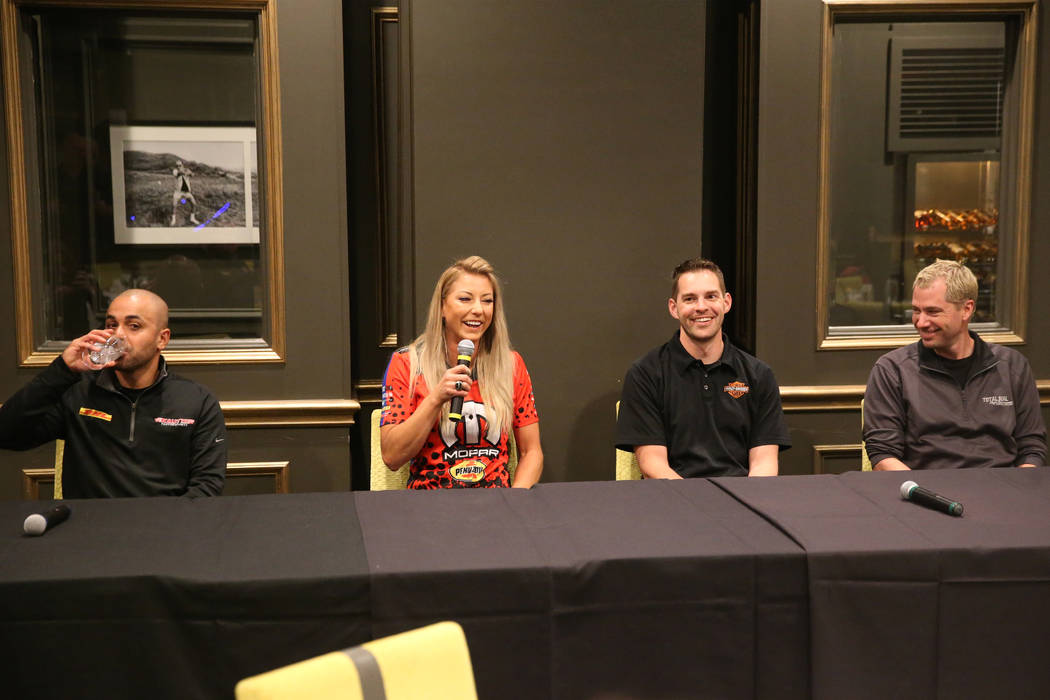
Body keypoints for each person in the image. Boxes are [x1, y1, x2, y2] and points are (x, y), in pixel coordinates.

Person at [0, 289, 226, 497]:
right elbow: (6, 434)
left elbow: (207, 486)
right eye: (111, 325)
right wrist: (62, 370)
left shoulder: (197, 401)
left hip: (164, 523)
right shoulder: (79, 391)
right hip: (90, 523)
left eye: (134, 326)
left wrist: (163, 525)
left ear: (162, 339)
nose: (118, 335)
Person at [615, 257, 791, 478]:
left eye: (711, 296)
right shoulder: (645, 374)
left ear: (726, 302)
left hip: (741, 496)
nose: (701, 307)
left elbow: (764, 463)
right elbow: (653, 465)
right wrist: (695, 500)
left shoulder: (759, 375)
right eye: (690, 299)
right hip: (674, 496)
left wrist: (744, 499)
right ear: (674, 308)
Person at [863, 260, 1046, 470]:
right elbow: (883, 455)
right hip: (925, 486)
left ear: (967, 309)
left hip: (1001, 484)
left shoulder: (1012, 366)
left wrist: (1018, 486)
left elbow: (1032, 448)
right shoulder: (893, 369)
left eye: (932, 312)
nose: (921, 322)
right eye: (916, 310)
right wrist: (920, 488)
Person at [380, 256, 543, 488]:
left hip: (496, 500)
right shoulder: (408, 363)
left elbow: (531, 452)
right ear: (442, 307)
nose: (478, 310)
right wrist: (435, 399)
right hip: (431, 500)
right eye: (465, 299)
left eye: (487, 301)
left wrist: (515, 500)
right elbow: (392, 456)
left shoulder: (510, 365)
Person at [170, 160, 201, 226]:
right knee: (174, 205)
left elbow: (192, 175)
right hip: (178, 192)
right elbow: (178, 173)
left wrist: (190, 173)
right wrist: (186, 171)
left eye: (180, 165)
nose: (178, 167)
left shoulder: (186, 170)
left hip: (187, 192)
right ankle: (173, 219)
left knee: (194, 204)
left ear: (182, 165)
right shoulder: (175, 171)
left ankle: (192, 218)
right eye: (177, 166)